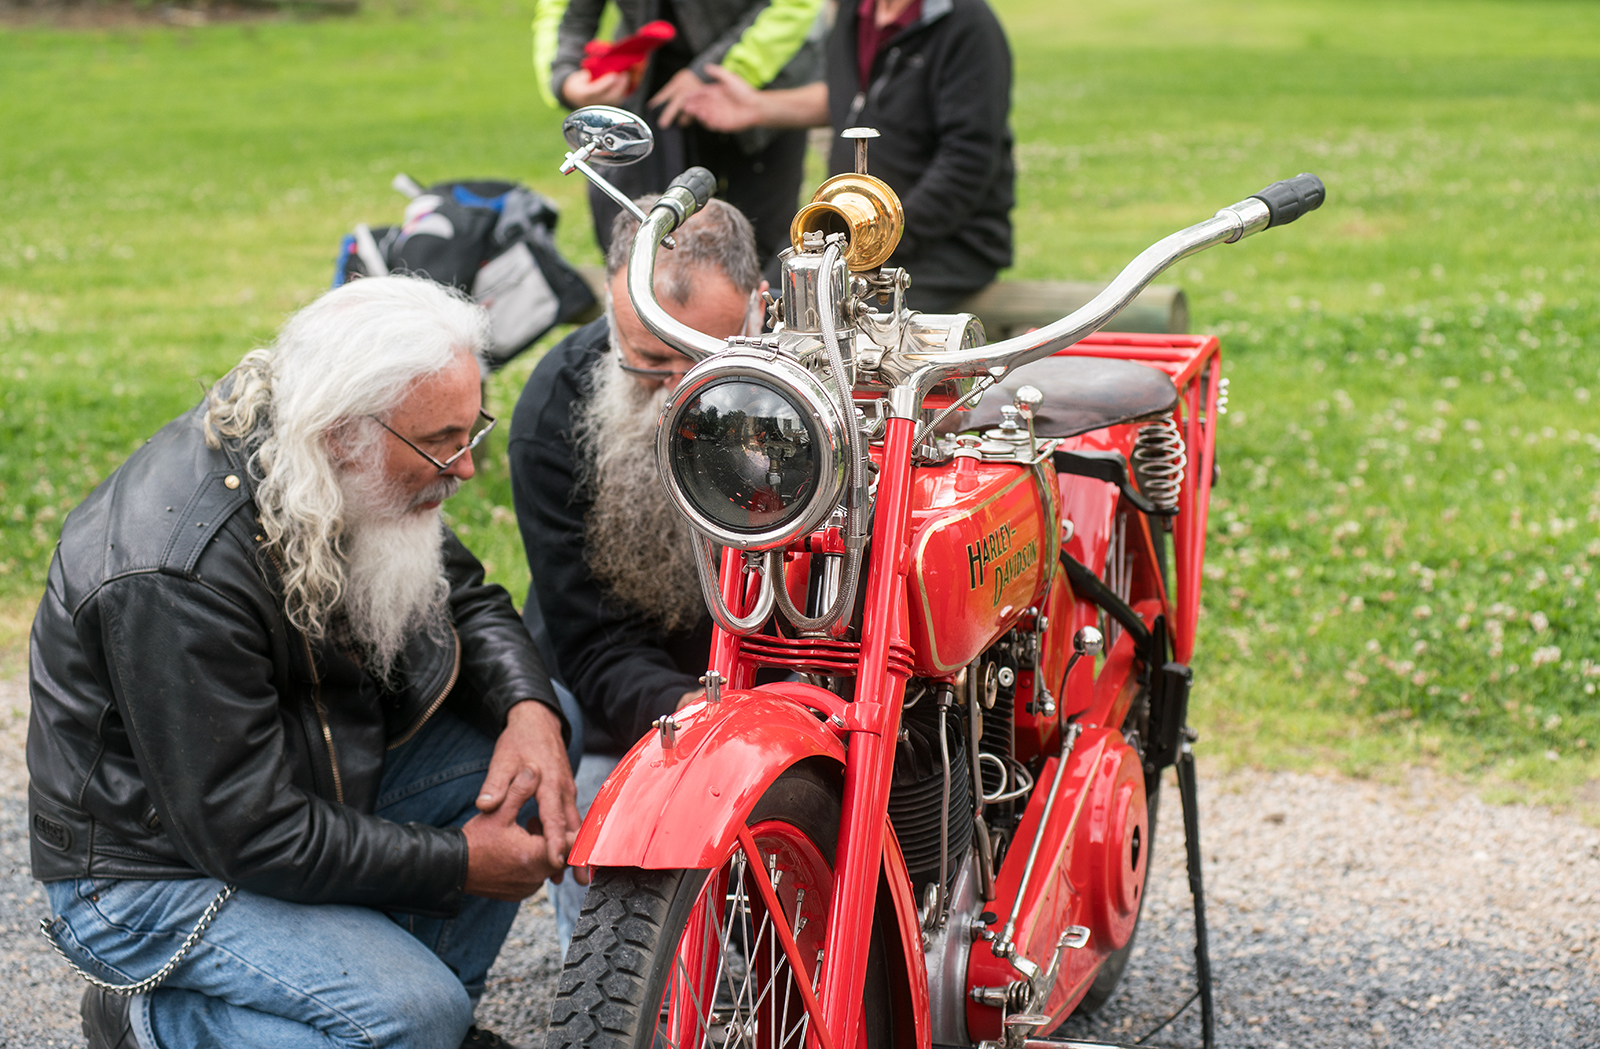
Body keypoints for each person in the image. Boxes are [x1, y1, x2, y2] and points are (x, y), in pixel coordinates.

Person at [27, 276, 579, 1049]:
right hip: (155, 874)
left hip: (290, 793)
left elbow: (471, 599)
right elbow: (248, 833)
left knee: (548, 724)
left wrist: (531, 711)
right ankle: (154, 1022)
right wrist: (459, 862)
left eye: (471, 430)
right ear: (342, 433)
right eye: (443, 443)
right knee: (412, 1014)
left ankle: (436, 1017)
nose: (466, 469)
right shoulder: (176, 571)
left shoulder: (337, 463)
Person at [506, 198, 761, 945]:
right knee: (607, 842)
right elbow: (591, 643)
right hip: (625, 712)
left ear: (759, 309)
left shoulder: (823, 380)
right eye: (650, 363)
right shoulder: (554, 410)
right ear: (614, 316)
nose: (679, 392)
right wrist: (701, 719)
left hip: (791, 693)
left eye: (704, 360)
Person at [679, 0, 1015, 312]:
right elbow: (855, 98)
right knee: (759, 303)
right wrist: (758, 108)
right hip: (845, 236)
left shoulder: (968, 25)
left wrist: (871, 244)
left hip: (945, 245)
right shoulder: (855, 10)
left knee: (819, 318)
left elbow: (966, 164)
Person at [532, 0, 826, 273]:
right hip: (648, 96)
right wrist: (566, 77)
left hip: (762, 87)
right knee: (638, 254)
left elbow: (794, 6)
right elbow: (566, 11)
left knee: (757, 257)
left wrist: (711, 73)